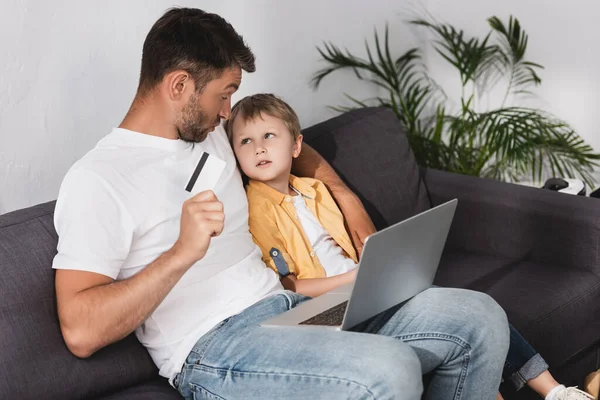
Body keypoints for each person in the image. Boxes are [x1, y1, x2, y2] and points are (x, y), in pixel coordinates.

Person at [53, 7, 511, 400]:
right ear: (178, 86)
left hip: (290, 310)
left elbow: (292, 146)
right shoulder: (100, 178)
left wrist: (346, 198)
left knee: (478, 318)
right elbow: (80, 331)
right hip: (215, 349)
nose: (228, 111)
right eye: (223, 94)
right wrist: (180, 254)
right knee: (389, 369)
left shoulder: (210, 134)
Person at [225, 93, 595, 400]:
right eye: (245, 141)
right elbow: (285, 288)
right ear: (236, 156)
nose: (258, 148)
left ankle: (555, 391)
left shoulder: (315, 190)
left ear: (296, 146)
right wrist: (352, 281)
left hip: (360, 289)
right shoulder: (254, 209)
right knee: (456, 314)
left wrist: (374, 271)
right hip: (323, 308)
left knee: (469, 308)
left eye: (269, 136)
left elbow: (350, 250)